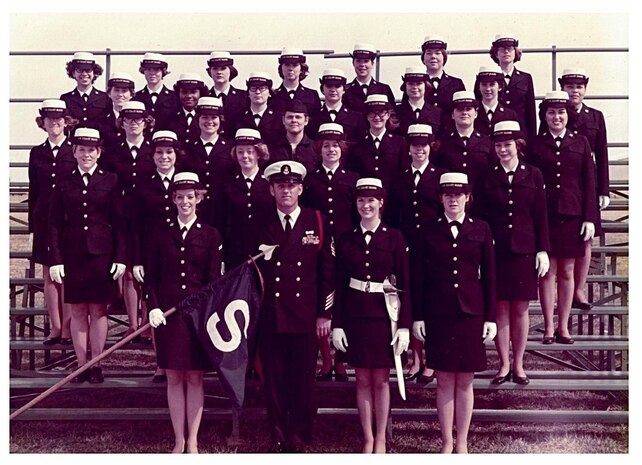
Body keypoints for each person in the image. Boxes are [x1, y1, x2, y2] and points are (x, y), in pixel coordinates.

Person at [411, 172, 496, 453]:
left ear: (467, 198)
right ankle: (447, 441)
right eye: (448, 195)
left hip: (471, 314)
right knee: (445, 378)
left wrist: (491, 317)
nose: (453, 200)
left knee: (466, 379)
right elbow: (419, 278)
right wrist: (419, 316)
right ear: (441, 198)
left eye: (458, 195)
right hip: (439, 314)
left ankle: (462, 443)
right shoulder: (428, 230)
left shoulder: (481, 228)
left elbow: (490, 278)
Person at [255, 160, 335, 453]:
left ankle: (301, 434)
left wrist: (324, 313)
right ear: (272, 190)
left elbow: (328, 271)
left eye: (291, 186)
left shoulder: (317, 221)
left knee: (303, 378)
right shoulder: (261, 223)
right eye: (280, 186)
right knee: (274, 378)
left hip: (305, 315)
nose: (286, 191)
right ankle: (277, 433)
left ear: (300, 189)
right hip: (271, 315)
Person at [145, 172, 224, 454]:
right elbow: (151, 277)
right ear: (174, 199)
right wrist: (153, 306)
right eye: (180, 197)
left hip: (196, 317)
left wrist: (203, 310)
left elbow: (214, 281)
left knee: (195, 378)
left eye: (191, 197)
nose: (185, 202)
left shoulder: (211, 234)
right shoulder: (160, 233)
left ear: (198, 199)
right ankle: (179, 438)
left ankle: (193, 440)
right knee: (174, 377)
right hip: (167, 315)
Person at [332, 177, 411, 453]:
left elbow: (405, 284)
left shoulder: (395, 237)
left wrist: (403, 326)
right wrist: (337, 325)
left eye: (371, 200)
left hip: (383, 317)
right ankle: (367, 438)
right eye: (361, 200)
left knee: (380, 379)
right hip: (355, 315)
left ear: (381, 203)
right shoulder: (346, 238)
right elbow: (340, 286)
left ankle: (380, 439)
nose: (366, 205)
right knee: (362, 379)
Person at [48, 127, 126, 384]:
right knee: (79, 310)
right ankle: (81, 365)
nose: (86, 154)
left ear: (99, 152)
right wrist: (56, 259)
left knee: (99, 310)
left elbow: (119, 221)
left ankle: (97, 364)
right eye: (81, 150)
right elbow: (55, 223)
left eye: (91, 150)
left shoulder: (110, 180)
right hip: (73, 254)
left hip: (101, 254)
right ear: (74, 151)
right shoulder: (64, 181)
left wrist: (120, 257)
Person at [478, 121, 550, 385]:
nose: (503, 150)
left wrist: (542, 250)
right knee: (499, 310)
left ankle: (518, 365)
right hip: (495, 252)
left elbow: (540, 215)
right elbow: (481, 218)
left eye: (507, 145)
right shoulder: (487, 176)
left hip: (524, 251)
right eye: (498, 145)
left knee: (520, 310)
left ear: (517, 145)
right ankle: (503, 365)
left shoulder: (533, 174)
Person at [528, 91, 598, 344]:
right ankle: (548, 326)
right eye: (551, 112)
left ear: (568, 115)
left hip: (572, 215)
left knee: (567, 271)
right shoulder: (535, 145)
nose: (556, 117)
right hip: (544, 216)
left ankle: (564, 326)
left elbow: (589, 183)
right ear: (544, 116)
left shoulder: (580, 143)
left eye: (561, 112)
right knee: (547, 272)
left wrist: (589, 217)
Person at [301, 123, 359, 382]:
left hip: (347, 245)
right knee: (320, 300)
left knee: (345, 300)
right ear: (319, 149)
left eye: (335, 146)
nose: (331, 150)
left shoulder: (353, 179)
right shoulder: (310, 180)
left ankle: (341, 360)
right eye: (326, 146)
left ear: (342, 149)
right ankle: (325, 359)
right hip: (320, 245)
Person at [388, 124, 445, 384]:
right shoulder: (399, 178)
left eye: (423, 145)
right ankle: (415, 358)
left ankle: (431, 360)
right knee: (410, 303)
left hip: (433, 249)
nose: (419, 150)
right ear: (409, 148)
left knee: (431, 304)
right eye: (414, 145)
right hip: (407, 249)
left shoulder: (440, 177)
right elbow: (392, 217)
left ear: (430, 147)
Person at [132, 130, 186, 382]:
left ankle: (183, 360)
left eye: (169, 152)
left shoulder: (186, 183)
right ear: (152, 156)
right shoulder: (142, 184)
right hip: (154, 254)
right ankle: (161, 363)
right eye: (159, 152)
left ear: (176, 154)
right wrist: (137, 259)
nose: (164, 157)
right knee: (156, 307)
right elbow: (135, 225)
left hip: (182, 251)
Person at [101, 101, 156, 339]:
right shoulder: (113, 152)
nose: (134, 124)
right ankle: (133, 325)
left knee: (149, 269)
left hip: (149, 217)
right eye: (129, 120)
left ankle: (146, 322)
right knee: (130, 270)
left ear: (146, 123)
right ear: (121, 123)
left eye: (139, 120)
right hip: (122, 216)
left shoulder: (154, 151)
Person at [558, 68, 611, 310]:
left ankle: (579, 289)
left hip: (588, 185)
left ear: (585, 89)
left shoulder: (595, 117)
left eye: (579, 86)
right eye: (569, 86)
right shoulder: (555, 114)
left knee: (587, 238)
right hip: (565, 185)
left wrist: (604, 190)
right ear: (563, 88)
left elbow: (602, 155)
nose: (574, 91)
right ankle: (565, 291)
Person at [29, 99, 77, 346]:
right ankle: (56, 328)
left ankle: (68, 328)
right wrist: (31, 227)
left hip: (69, 221)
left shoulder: (75, 150)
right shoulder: (37, 152)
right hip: (44, 221)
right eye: (49, 119)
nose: (54, 123)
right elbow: (33, 191)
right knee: (49, 275)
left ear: (66, 122)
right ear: (43, 123)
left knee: (67, 274)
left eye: (59, 119)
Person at [215, 128, 273, 270]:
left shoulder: (270, 184)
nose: (245, 156)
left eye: (250, 151)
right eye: (240, 152)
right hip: (236, 252)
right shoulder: (228, 185)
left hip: (265, 250)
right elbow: (220, 222)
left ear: (259, 154)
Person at [432, 91, 493, 208]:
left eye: (469, 109)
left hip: (481, 203)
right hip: (451, 204)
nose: (464, 112)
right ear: (452, 114)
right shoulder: (443, 142)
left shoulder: (487, 142)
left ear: (476, 113)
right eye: (460, 109)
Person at [183, 96, 235, 226]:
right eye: (205, 117)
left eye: (213, 117)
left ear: (220, 120)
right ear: (198, 120)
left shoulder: (230, 148)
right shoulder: (188, 148)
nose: (209, 121)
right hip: (195, 211)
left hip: (223, 209)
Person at [347, 94, 406, 194]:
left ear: (388, 115)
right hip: (366, 198)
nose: (377, 117)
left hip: (392, 197)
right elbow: (353, 175)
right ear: (366, 116)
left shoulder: (400, 143)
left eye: (381, 113)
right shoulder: (357, 145)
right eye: (372, 113)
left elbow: (403, 173)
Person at [486, 34, 537, 140]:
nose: (506, 52)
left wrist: (532, 140)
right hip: (495, 133)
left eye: (510, 49)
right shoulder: (487, 79)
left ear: (515, 52)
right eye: (502, 49)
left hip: (519, 134)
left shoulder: (525, 78)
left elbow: (530, 112)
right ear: (496, 53)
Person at [309, 68, 366, 144]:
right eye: (329, 86)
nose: (333, 90)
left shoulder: (356, 117)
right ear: (322, 89)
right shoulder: (313, 117)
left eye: (337, 86)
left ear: (344, 89)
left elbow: (360, 143)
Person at [269, 48, 321, 131]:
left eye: (295, 65)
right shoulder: (273, 95)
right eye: (287, 64)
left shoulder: (311, 95)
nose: (290, 68)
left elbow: (316, 123)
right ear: (281, 68)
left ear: (301, 68)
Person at [268, 98, 320, 174]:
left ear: (306, 120)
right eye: (290, 117)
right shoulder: (272, 148)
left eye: (298, 117)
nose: (294, 120)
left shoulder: (316, 148)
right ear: (283, 120)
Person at [60, 52, 110, 130]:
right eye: (80, 70)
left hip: (97, 141)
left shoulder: (104, 98)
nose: (84, 74)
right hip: (74, 141)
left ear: (94, 73)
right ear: (73, 73)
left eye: (88, 70)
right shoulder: (66, 98)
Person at [343, 43, 396, 115]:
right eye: (358, 61)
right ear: (353, 63)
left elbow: (392, 115)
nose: (362, 65)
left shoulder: (384, 89)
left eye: (366, 61)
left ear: (372, 63)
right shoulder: (345, 90)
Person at [235, 71, 284, 147]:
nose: (257, 92)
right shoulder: (238, 117)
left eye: (262, 88)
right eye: (253, 88)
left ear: (269, 93)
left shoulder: (279, 118)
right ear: (248, 93)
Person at [206, 51, 248, 140]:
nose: (219, 72)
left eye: (223, 68)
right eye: (215, 68)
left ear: (231, 70)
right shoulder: (205, 97)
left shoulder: (244, 97)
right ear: (210, 71)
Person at [419, 36, 465, 116]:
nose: (433, 56)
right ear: (423, 59)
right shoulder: (415, 83)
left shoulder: (456, 83)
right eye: (429, 53)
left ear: (444, 57)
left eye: (437, 53)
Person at [134, 52, 178, 131]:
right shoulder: (136, 97)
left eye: (156, 69)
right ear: (143, 71)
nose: (152, 73)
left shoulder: (174, 97)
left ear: (163, 71)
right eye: (148, 69)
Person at [393, 67, 442, 137]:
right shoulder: (396, 112)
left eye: (419, 83)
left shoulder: (437, 113)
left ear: (426, 86)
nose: (415, 87)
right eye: (410, 84)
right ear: (405, 86)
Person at [473, 66, 519, 137]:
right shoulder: (472, 113)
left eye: (492, 84)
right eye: (484, 84)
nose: (488, 89)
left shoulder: (510, 115)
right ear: (479, 87)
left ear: (500, 87)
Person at [167, 73, 210, 146]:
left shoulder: (207, 117)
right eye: (184, 92)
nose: (189, 96)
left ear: (201, 93)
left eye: (193, 92)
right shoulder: (169, 117)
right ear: (178, 93)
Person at [100, 72, 136, 150]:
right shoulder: (101, 118)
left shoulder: (137, 120)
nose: (120, 94)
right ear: (109, 93)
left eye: (124, 91)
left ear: (131, 94)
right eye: (116, 90)